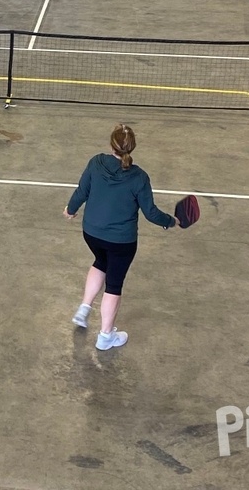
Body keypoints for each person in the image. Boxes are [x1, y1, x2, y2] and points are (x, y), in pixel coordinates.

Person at [64, 124, 188, 351]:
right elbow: (151, 213)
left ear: (111, 144)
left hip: (91, 233)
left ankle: (84, 308)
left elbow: (81, 191)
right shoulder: (139, 177)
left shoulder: (96, 162)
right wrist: (173, 222)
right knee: (114, 284)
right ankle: (105, 337)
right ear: (132, 147)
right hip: (121, 242)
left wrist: (70, 210)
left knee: (100, 262)